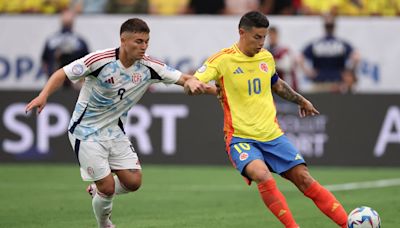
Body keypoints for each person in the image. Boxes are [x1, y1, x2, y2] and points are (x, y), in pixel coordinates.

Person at [26, 18, 214, 228]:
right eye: (138, 41)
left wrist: (218, 92)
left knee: (133, 182)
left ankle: (96, 191)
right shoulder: (100, 60)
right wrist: (43, 96)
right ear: (123, 40)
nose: (143, 47)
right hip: (86, 131)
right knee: (107, 187)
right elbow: (62, 74)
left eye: (146, 42)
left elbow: (186, 79)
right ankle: (104, 223)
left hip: (115, 131)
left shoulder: (150, 66)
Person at [184, 11, 348, 227]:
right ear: (242, 33)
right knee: (262, 175)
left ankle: (347, 224)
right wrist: (192, 84)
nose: (261, 43)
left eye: (264, 37)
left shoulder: (266, 57)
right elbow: (193, 81)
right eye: (257, 37)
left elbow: (277, 85)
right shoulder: (222, 60)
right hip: (240, 137)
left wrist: (301, 100)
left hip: (272, 135)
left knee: (304, 178)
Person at [299, 15, 360, 93]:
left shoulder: (316, 44)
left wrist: (307, 72)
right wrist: (349, 70)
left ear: (324, 27)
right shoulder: (341, 44)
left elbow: (299, 58)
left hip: (323, 82)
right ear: (334, 28)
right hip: (335, 82)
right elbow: (356, 57)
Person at [41, 9, 89, 89]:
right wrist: (50, 76)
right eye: (65, 16)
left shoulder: (80, 41)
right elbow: (44, 60)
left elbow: (88, 62)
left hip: (75, 81)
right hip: (55, 79)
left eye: (70, 16)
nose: (67, 18)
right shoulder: (51, 40)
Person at [265, 26, 298, 91]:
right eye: (270, 35)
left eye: (273, 34)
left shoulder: (284, 50)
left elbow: (286, 66)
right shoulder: (265, 50)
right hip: (272, 87)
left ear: (277, 35)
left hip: (286, 85)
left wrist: (271, 62)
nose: (272, 37)